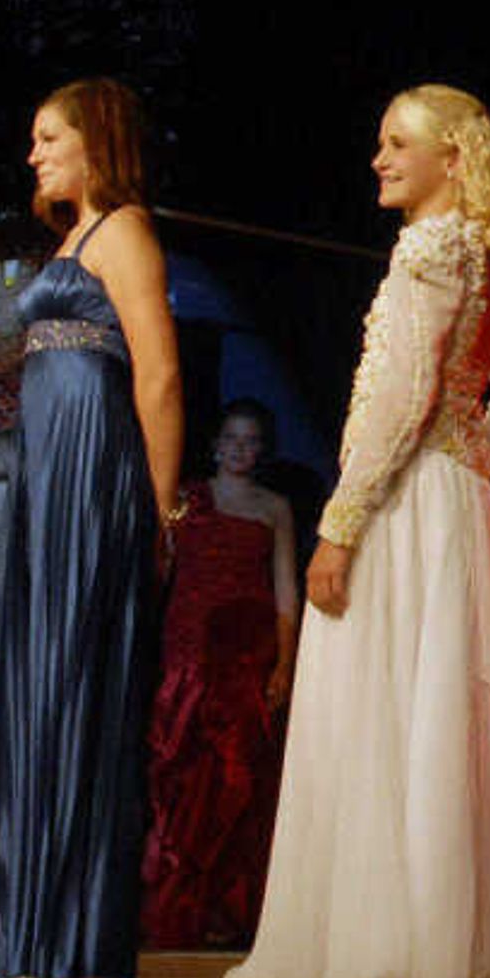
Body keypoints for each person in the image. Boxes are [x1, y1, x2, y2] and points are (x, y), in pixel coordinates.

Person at [207, 86, 490, 978]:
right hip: (449, 505)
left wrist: (342, 523)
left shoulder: (433, 249)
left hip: (401, 508)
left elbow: (400, 399)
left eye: (398, 144)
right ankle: (402, 964)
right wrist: (467, 462)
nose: (379, 160)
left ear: (448, 160)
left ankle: (349, 967)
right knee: (417, 726)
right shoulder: (481, 257)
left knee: (366, 723)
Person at [0, 81, 183, 978]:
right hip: (39, 474)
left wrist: (156, 507)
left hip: (93, 474)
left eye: (48, 137)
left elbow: (158, 374)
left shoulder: (127, 232)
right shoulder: (66, 242)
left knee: (71, 684)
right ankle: (0, 929)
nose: (34, 154)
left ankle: (55, 939)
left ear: (94, 140)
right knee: (25, 688)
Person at [140, 398, 301, 949]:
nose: (239, 449)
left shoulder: (275, 507)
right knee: (178, 770)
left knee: (235, 781)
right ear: (215, 444)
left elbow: (286, 590)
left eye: (250, 440)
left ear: (261, 449)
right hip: (186, 647)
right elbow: (158, 566)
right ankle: (171, 907)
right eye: (231, 438)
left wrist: (284, 660)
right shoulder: (186, 498)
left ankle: (226, 912)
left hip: (245, 654)